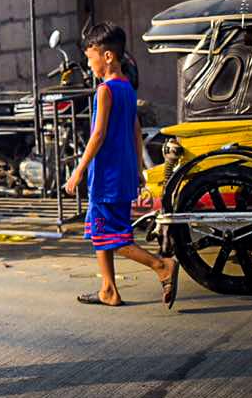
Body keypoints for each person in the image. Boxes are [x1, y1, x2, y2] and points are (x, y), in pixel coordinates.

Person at [65, 22, 180, 308]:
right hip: (121, 173)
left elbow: (98, 135)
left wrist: (78, 170)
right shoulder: (127, 87)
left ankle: (161, 266)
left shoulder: (105, 91)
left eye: (91, 58)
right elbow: (135, 129)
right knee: (97, 229)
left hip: (106, 177)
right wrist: (138, 170)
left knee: (113, 235)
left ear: (107, 57)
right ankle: (109, 290)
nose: (89, 65)